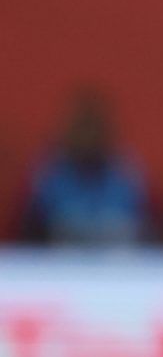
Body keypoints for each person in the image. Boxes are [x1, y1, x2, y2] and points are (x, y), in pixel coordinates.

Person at [22, 88, 149, 246]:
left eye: (94, 128)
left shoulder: (130, 173)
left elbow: (149, 229)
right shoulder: (47, 174)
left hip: (119, 262)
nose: (88, 136)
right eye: (82, 128)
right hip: (58, 263)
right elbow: (29, 231)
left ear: (107, 131)